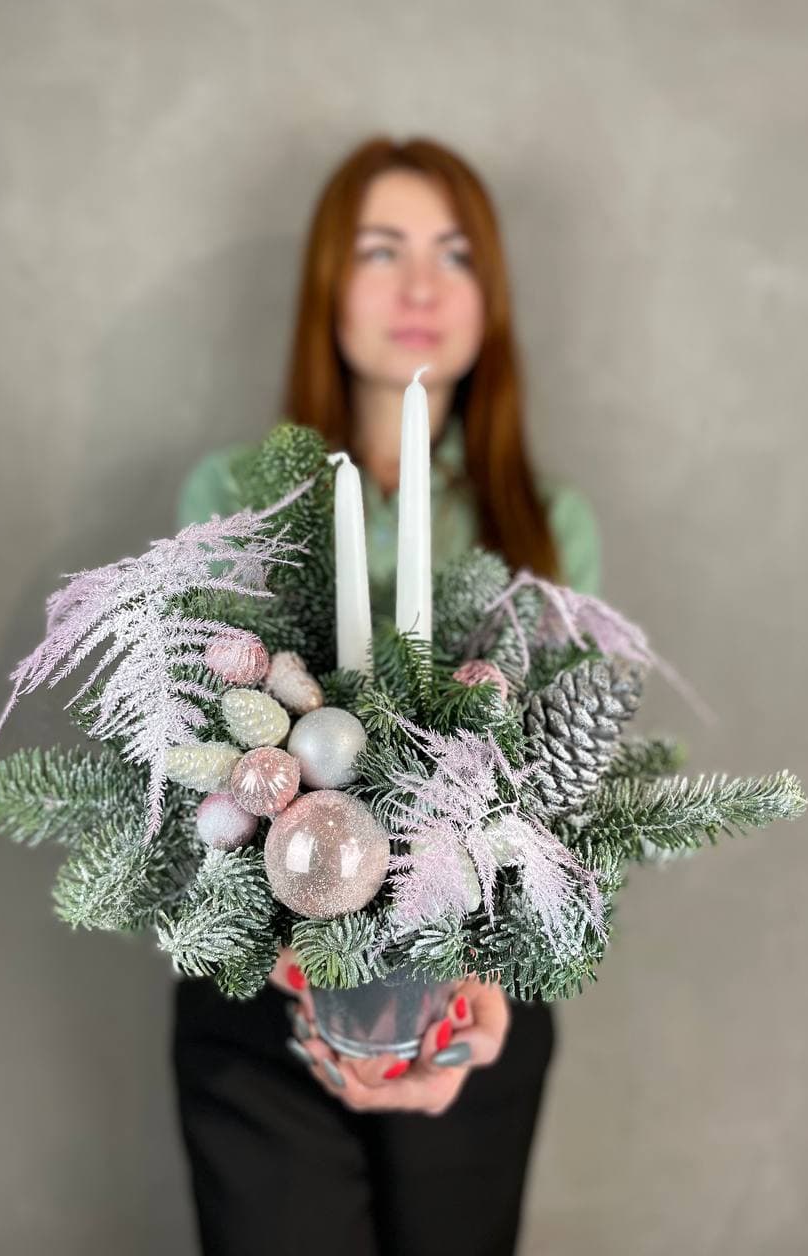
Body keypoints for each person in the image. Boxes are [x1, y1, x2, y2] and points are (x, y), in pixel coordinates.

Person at [171, 135, 602, 1256]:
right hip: (257, 991)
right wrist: (299, 949)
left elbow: (560, 788)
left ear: (490, 296)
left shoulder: (543, 526)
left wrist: (469, 983)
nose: (421, 287)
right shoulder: (233, 495)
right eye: (381, 250)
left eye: (455, 254)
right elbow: (200, 746)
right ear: (328, 284)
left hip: (475, 992)